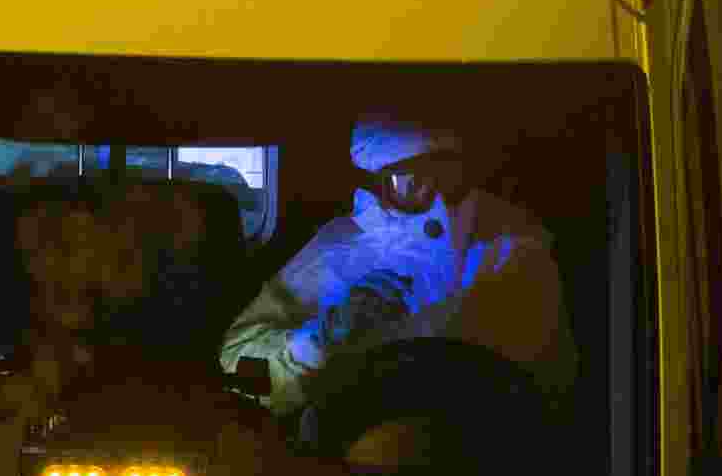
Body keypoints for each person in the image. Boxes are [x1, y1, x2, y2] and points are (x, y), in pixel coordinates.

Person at [219, 118, 578, 429]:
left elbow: (553, 384)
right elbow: (240, 370)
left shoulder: (514, 246)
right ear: (376, 184)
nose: (439, 201)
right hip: (355, 451)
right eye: (412, 182)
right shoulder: (338, 250)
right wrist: (321, 338)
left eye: (449, 178)